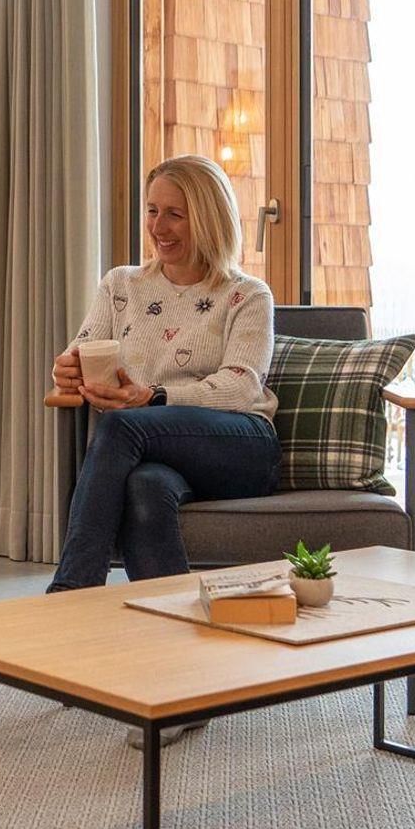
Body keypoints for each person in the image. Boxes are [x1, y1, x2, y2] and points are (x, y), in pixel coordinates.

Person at [49, 153, 278, 592]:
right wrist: (68, 371)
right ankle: (172, 616)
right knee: (145, 487)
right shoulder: (121, 285)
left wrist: (154, 396)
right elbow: (83, 351)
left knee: (120, 427)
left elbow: (240, 388)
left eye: (175, 214)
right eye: (153, 211)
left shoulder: (247, 295)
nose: (158, 227)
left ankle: (72, 591)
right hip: (151, 453)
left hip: (239, 446)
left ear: (208, 219)